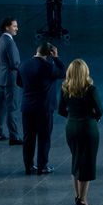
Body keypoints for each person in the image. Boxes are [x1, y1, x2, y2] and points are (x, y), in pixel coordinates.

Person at [59, 58, 102, 205]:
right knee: (87, 163)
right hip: (88, 128)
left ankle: (77, 196)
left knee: (76, 160)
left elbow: (61, 110)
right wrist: (92, 117)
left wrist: (73, 118)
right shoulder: (91, 90)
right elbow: (100, 110)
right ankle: (83, 199)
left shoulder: (65, 89)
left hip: (71, 127)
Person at [19, 42, 64, 175]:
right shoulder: (49, 67)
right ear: (49, 54)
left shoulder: (23, 65)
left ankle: (28, 166)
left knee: (28, 137)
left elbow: (19, 82)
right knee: (44, 137)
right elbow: (62, 72)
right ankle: (42, 166)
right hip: (43, 108)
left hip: (27, 106)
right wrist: (56, 58)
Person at [0, 17, 23, 144]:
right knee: (12, 107)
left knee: (1, 107)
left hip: (2, 77)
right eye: (14, 26)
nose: (17, 28)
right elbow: (14, 62)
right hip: (11, 79)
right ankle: (14, 136)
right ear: (7, 27)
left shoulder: (0, 40)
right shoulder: (9, 42)